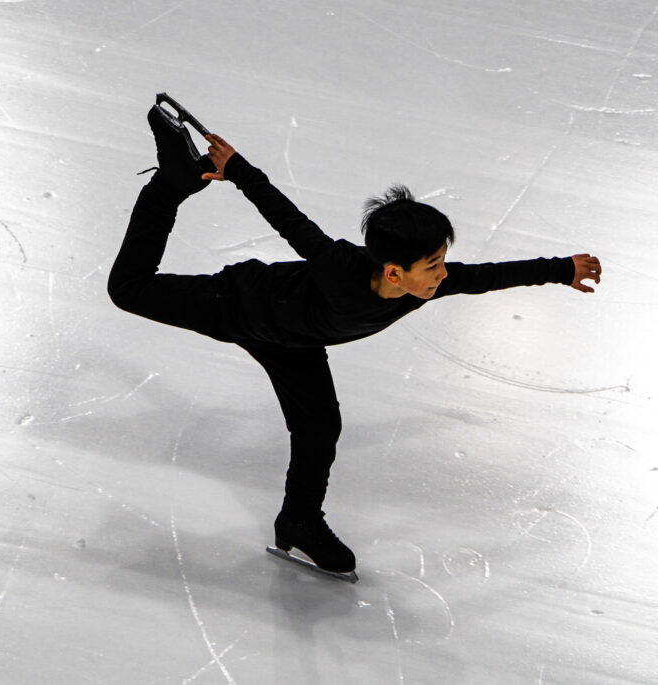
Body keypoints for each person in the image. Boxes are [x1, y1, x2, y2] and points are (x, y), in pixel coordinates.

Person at [107, 102, 602, 577]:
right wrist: (236, 167)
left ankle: (299, 521)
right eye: (432, 266)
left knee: (321, 429)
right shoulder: (340, 269)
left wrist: (560, 270)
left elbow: (484, 276)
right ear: (393, 270)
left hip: (295, 344)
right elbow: (288, 219)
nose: (442, 274)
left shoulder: (424, 285)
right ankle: (170, 183)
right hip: (239, 305)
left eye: (441, 261)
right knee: (127, 289)